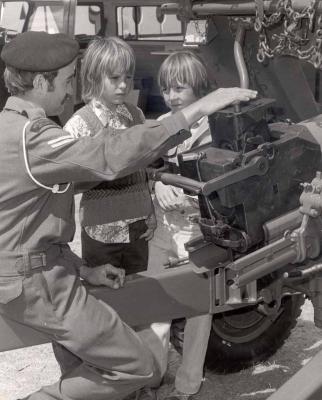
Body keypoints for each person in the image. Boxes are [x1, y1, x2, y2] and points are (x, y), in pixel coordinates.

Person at [0, 30, 257, 400]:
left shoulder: (14, 127)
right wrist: (196, 109)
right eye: (68, 79)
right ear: (41, 82)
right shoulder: (31, 138)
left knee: (84, 367)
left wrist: (81, 269)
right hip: (38, 285)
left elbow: (31, 224)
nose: (72, 90)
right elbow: (108, 156)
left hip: (46, 273)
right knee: (138, 366)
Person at [147, 50, 234, 400]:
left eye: (179, 88)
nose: (172, 96)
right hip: (162, 227)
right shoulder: (163, 124)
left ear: (198, 87)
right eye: (167, 88)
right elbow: (147, 166)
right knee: (154, 303)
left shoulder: (215, 128)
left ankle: (186, 386)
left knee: (198, 308)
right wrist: (158, 182)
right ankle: (150, 376)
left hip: (195, 228)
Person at [64, 37, 156, 275]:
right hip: (100, 232)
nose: (123, 85)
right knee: (106, 296)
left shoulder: (136, 116)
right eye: (114, 78)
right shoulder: (79, 126)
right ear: (94, 78)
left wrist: (150, 212)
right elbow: (66, 183)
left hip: (137, 228)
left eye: (128, 77)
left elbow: (142, 171)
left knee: (138, 293)